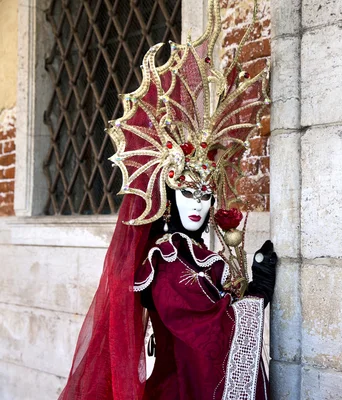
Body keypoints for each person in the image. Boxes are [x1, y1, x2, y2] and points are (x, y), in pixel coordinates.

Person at [58, 0, 275, 398]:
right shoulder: (168, 262)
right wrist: (258, 293)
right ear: (168, 195)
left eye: (206, 195)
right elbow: (214, 330)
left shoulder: (191, 253)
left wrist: (239, 265)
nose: (197, 205)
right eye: (187, 194)